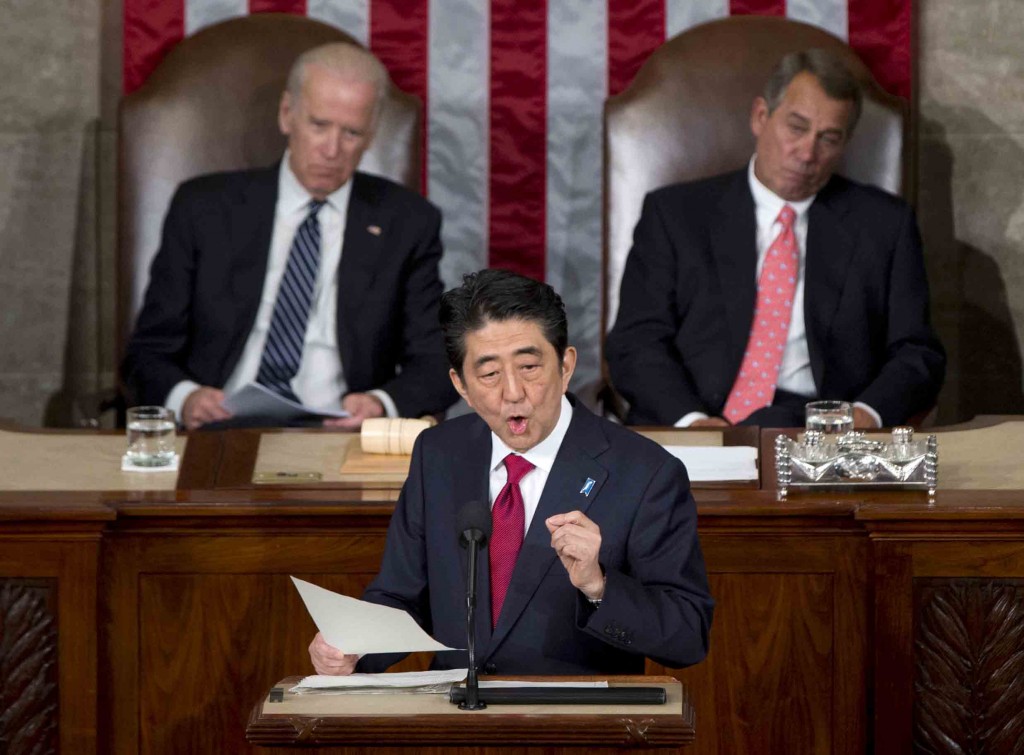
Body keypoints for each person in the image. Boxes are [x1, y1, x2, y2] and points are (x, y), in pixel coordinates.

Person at [309, 269, 713, 676]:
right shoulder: (439, 454)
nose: (513, 392)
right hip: (454, 723)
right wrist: (353, 645)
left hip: (577, 725)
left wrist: (598, 586)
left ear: (566, 365)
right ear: (461, 385)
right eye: (488, 374)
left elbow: (687, 635)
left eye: (529, 367)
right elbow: (400, 596)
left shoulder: (645, 472)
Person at [122, 43, 456, 430]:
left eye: (351, 132)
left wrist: (381, 404)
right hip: (217, 431)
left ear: (370, 136)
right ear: (287, 115)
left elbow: (437, 360)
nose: (331, 150)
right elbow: (147, 353)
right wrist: (185, 398)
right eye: (318, 125)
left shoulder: (407, 222)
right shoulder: (204, 208)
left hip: (340, 436)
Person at [606, 49, 945, 429]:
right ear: (760, 117)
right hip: (695, 424)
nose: (807, 153)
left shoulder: (884, 225)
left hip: (820, 436)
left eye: (828, 138)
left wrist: (865, 417)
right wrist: (694, 424)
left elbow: (917, 353)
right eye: (796, 128)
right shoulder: (675, 215)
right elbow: (635, 343)